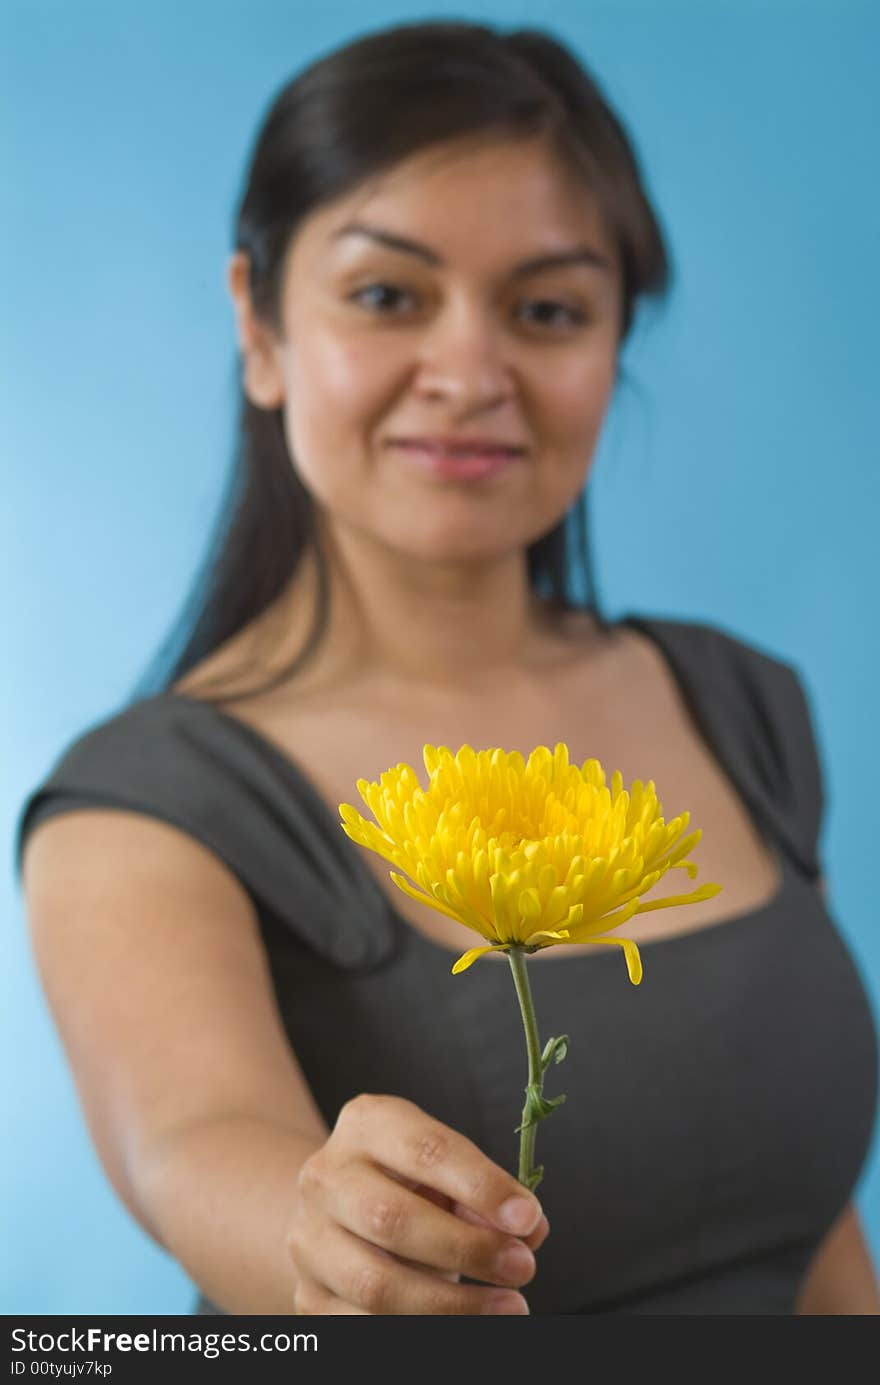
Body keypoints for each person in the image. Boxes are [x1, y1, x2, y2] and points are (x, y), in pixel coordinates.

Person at [15, 19, 879, 1316]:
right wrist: (326, 1235)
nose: (470, 373)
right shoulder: (147, 803)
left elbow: (811, 1236)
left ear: (612, 340)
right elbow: (188, 1141)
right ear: (258, 323)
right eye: (387, 295)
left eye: (546, 309)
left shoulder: (743, 706)